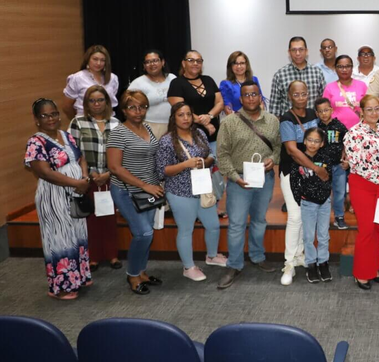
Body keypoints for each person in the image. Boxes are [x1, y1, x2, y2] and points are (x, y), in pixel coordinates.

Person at [215, 81, 281, 289]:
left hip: (265, 178)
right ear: (241, 99)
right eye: (247, 95)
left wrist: (273, 159)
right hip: (239, 181)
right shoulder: (229, 122)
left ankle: (257, 256)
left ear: (260, 96)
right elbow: (222, 154)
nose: (251, 98)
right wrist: (235, 177)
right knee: (236, 224)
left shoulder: (272, 121)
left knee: (260, 220)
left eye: (255, 94)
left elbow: (278, 146)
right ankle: (234, 264)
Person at [25, 98, 92, 299]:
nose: (51, 118)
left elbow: (81, 158)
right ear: (37, 119)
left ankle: (79, 277)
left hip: (75, 192)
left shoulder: (67, 135)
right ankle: (62, 286)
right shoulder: (35, 142)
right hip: (54, 196)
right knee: (60, 239)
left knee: (78, 234)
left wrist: (85, 177)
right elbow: (45, 173)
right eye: (45, 115)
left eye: (54, 113)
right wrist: (76, 184)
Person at [156, 102, 227, 282]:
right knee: (186, 229)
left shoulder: (199, 133)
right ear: (174, 117)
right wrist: (185, 165)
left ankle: (211, 256)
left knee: (213, 225)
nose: (186, 118)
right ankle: (188, 267)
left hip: (202, 188)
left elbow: (211, 155)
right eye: (181, 115)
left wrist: (206, 161)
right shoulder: (166, 141)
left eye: (188, 114)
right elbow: (162, 171)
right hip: (180, 192)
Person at [107, 90, 164, 296]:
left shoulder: (147, 128)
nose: (138, 111)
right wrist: (144, 185)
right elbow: (115, 168)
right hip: (126, 191)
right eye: (132, 107)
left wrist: (156, 183)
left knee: (146, 234)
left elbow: (150, 159)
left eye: (142, 106)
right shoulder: (118, 132)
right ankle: (132, 275)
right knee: (143, 233)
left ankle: (142, 272)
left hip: (149, 191)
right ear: (123, 110)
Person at [344, 95, 379, 289]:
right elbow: (357, 165)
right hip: (363, 185)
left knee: (377, 228)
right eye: (370, 109)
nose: (375, 113)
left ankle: (372, 268)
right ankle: (360, 273)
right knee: (366, 229)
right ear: (361, 111)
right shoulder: (353, 134)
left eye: (377, 109)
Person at [68, 85, 121, 271]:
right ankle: (94, 257)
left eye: (100, 100)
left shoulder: (116, 123)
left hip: (111, 176)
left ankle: (112, 255)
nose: (96, 104)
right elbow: (73, 152)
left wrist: (108, 173)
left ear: (106, 102)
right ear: (86, 103)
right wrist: (89, 173)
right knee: (91, 219)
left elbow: (121, 153)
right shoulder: (78, 122)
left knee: (109, 217)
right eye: (92, 100)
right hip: (88, 178)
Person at [278, 81, 321, 286]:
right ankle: (288, 263)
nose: (301, 97)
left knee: (305, 215)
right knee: (295, 217)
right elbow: (292, 151)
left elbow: (318, 141)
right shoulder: (286, 118)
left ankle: (300, 254)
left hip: (309, 172)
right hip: (292, 172)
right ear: (290, 96)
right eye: (296, 94)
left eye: (304, 93)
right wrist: (316, 168)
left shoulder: (313, 114)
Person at [289, 127, 334, 284]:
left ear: (321, 144)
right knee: (308, 236)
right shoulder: (299, 159)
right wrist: (299, 198)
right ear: (304, 141)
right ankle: (311, 264)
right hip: (307, 202)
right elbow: (294, 180)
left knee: (323, 235)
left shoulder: (325, 157)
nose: (312, 144)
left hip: (324, 203)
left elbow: (330, 178)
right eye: (310, 140)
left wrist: (326, 194)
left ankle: (323, 263)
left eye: (316, 141)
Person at [167, 50, 223, 152]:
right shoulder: (176, 83)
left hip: (213, 133)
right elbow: (180, 110)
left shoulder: (208, 80)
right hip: (189, 136)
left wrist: (209, 116)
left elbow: (219, 102)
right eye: (191, 60)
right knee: (196, 165)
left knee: (215, 165)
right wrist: (205, 123)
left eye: (199, 61)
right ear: (184, 63)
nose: (195, 63)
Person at [268, 36, 326, 115]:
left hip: (313, 123)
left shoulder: (317, 72)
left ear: (306, 51)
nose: (297, 53)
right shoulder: (280, 75)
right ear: (289, 52)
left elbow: (323, 102)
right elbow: (274, 107)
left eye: (301, 49)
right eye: (294, 50)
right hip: (289, 125)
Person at [315, 97, 349, 230]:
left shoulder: (339, 126)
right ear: (317, 113)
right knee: (321, 191)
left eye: (326, 110)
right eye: (320, 111)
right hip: (322, 167)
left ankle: (339, 217)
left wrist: (345, 156)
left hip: (338, 166)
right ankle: (320, 217)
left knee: (339, 192)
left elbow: (347, 141)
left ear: (331, 110)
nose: (324, 113)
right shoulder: (316, 128)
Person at [62, 45, 119, 119]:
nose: (98, 63)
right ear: (88, 59)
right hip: (84, 120)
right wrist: (77, 122)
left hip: (108, 120)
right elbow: (67, 107)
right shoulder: (77, 78)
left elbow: (111, 101)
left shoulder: (113, 78)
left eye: (102, 60)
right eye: (95, 59)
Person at [128, 49, 175, 137]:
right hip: (148, 127)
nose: (152, 64)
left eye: (155, 60)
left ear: (163, 62)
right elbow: (128, 107)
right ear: (144, 66)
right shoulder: (138, 83)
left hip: (174, 126)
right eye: (148, 62)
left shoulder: (172, 78)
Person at [321, 55, 367, 129]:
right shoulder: (329, 87)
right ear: (335, 69)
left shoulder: (362, 85)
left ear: (352, 68)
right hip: (335, 131)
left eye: (348, 66)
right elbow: (324, 110)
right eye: (340, 67)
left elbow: (368, 107)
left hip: (359, 130)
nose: (344, 69)